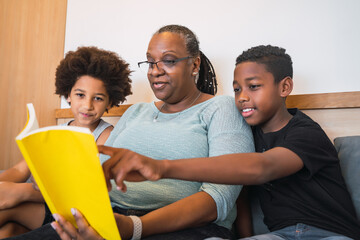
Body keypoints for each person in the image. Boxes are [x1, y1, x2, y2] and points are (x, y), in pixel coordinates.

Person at [87, 45, 360, 239]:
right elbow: (238, 190)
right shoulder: (251, 136)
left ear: (284, 87)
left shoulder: (305, 133)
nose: (241, 97)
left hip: (326, 233)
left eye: (253, 87)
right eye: (237, 88)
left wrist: (162, 167)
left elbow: (261, 168)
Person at [48, 24, 255, 240]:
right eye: (150, 62)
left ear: (194, 65)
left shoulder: (221, 108)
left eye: (169, 60)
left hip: (183, 229)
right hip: (110, 219)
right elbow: (100, 176)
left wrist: (134, 227)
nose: (155, 70)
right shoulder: (137, 111)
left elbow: (218, 199)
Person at [0, 46, 132, 238]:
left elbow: (86, 194)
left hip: (74, 215)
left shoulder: (106, 137)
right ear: (68, 95)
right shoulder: (56, 132)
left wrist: (24, 191)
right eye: (80, 95)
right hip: (46, 207)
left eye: (98, 98)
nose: (87, 105)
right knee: (8, 230)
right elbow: (21, 170)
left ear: (110, 102)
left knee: (7, 210)